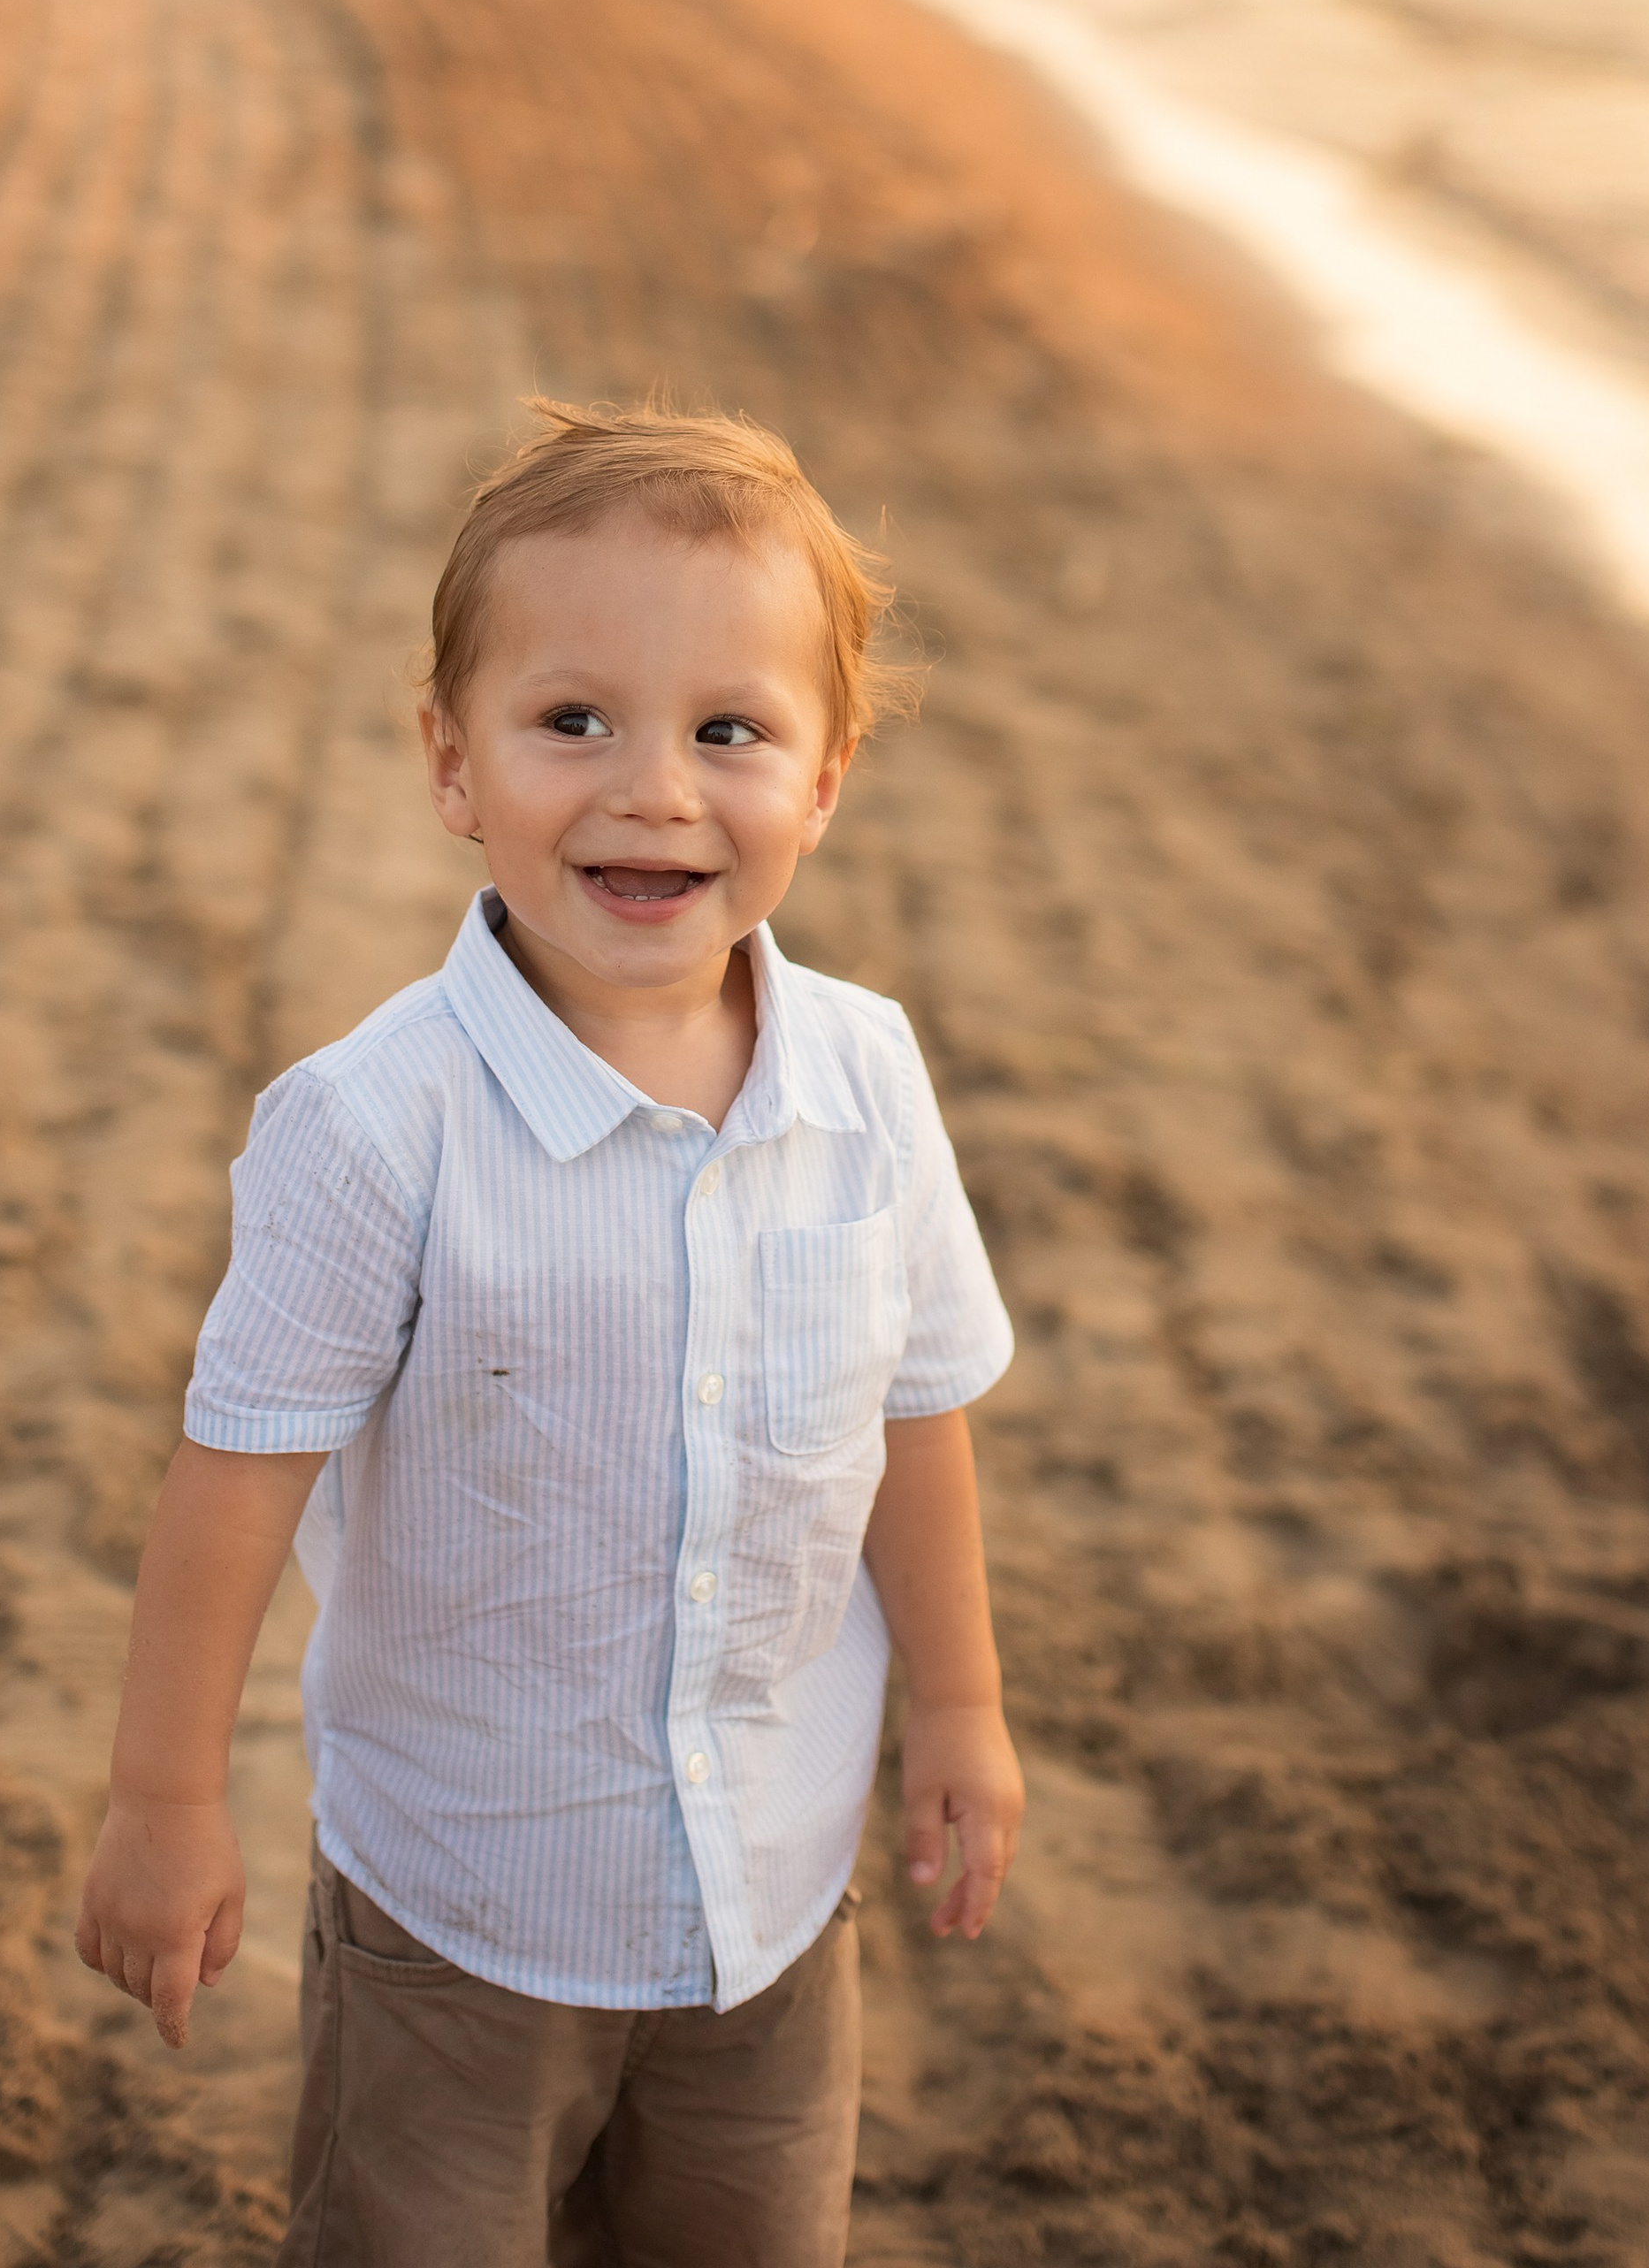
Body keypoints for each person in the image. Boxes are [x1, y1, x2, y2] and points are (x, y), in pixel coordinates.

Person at [75, 399, 1022, 2267]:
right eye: (573, 719)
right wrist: (164, 1801)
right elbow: (237, 1476)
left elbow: (912, 1411)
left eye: (729, 732)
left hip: (769, 1908)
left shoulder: (867, 1080)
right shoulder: (376, 1127)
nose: (653, 790)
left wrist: (962, 1702)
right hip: (461, 1920)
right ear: (453, 760)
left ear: (824, 782)